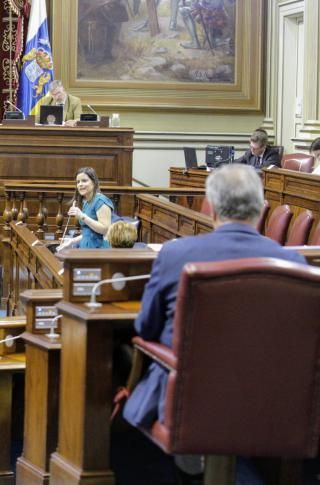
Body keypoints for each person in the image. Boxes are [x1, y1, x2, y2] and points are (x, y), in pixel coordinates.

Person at [123, 164, 306, 478]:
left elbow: (145, 328)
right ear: (260, 208)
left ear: (212, 208)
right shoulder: (293, 262)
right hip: (272, 403)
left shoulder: (175, 254)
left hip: (189, 404)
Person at [59, 167, 114, 249]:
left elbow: (105, 229)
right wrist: (72, 240)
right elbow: (88, 233)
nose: (80, 184)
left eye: (84, 181)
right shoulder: (86, 202)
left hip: (98, 249)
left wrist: (82, 216)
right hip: (86, 248)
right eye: (78, 182)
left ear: (94, 182)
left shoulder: (101, 201)